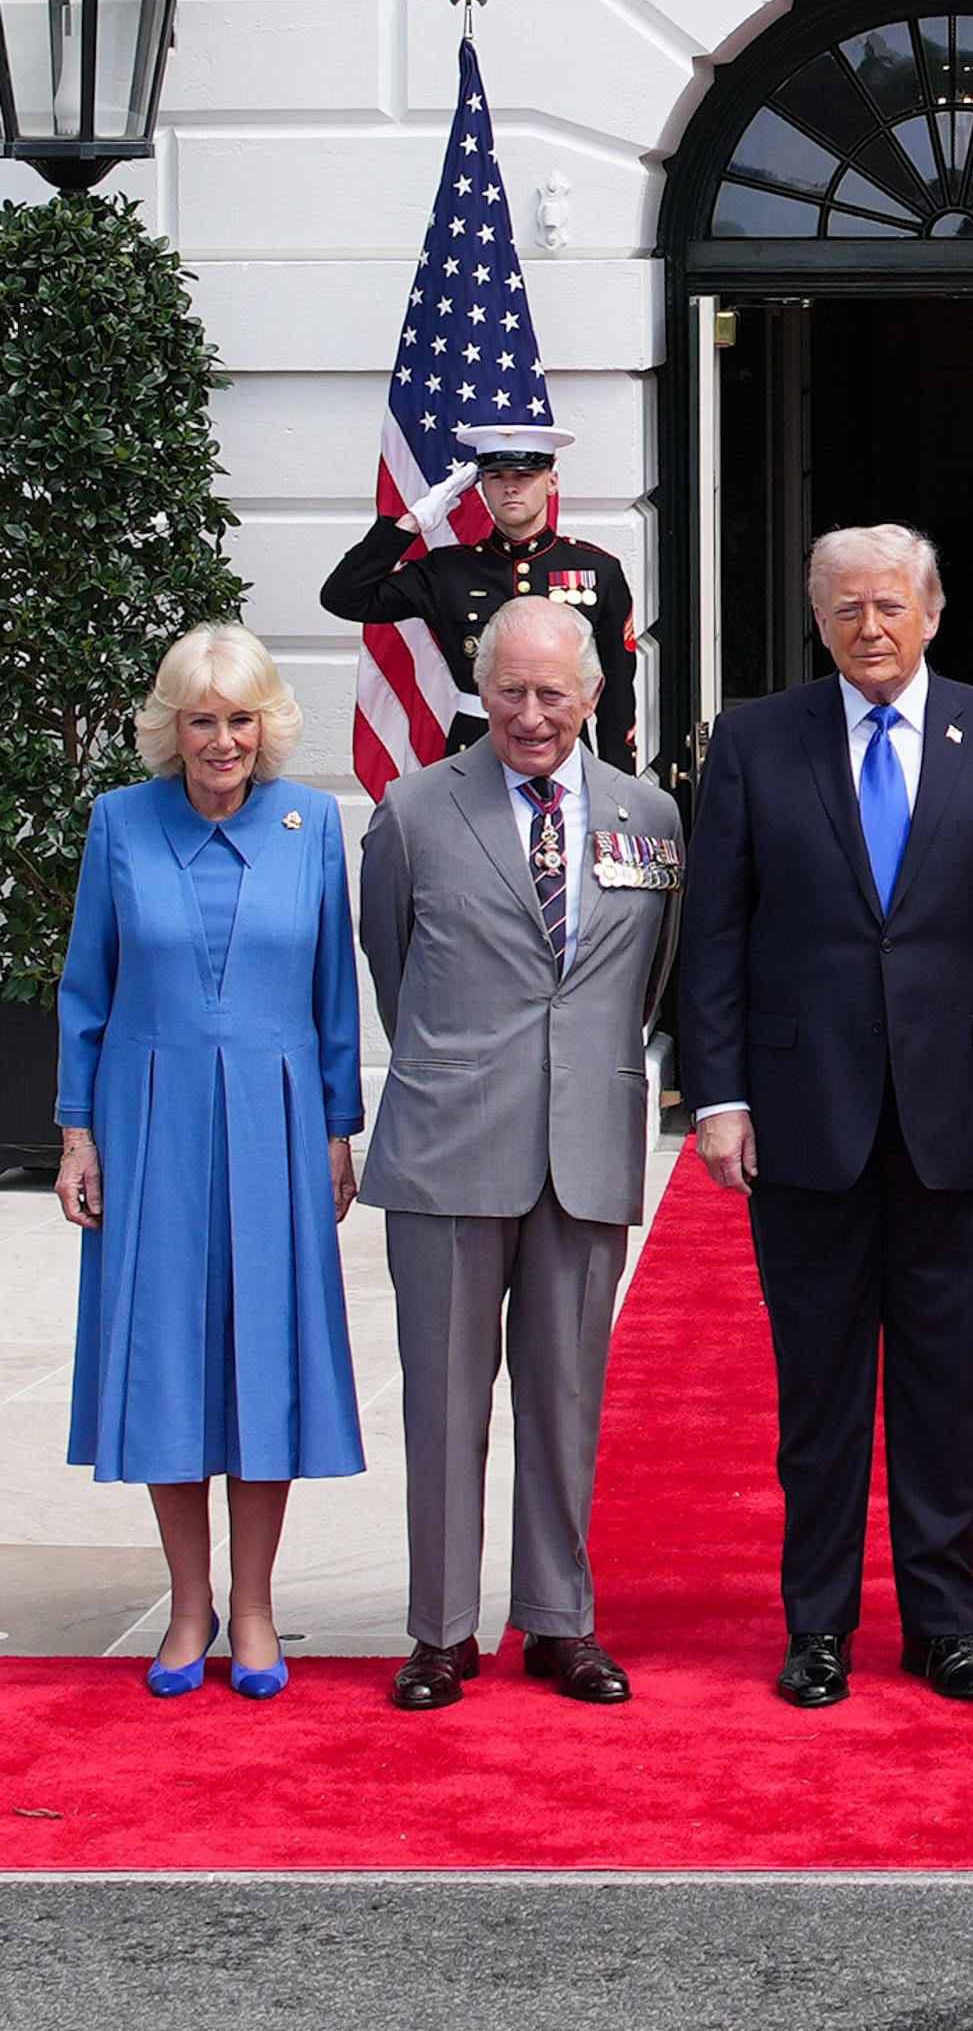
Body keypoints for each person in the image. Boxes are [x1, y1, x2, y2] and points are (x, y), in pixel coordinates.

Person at [680, 524, 973, 1710]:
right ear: (818, 617)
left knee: (950, 1389)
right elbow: (717, 933)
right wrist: (720, 1095)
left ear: (935, 611)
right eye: (847, 607)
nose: (871, 626)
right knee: (819, 1393)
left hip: (961, 1118)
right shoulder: (755, 741)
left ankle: (945, 1624)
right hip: (804, 1117)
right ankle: (819, 1630)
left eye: (892, 605)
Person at [358, 598, 681, 1713]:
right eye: (510, 691)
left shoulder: (652, 818)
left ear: (593, 696)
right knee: (444, 1400)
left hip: (585, 1140)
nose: (531, 714)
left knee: (564, 1397)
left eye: (553, 693)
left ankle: (558, 1621)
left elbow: (648, 984)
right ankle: (441, 1631)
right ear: (478, 690)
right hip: (452, 1142)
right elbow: (392, 968)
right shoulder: (410, 813)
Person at [54, 624, 364, 1702]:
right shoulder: (117, 825)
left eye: (240, 718)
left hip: (279, 1127)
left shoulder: (313, 822)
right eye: (202, 719)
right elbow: (85, 990)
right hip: (150, 1123)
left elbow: (336, 995)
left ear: (266, 723)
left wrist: (338, 1126)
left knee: (264, 1359)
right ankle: (189, 1609)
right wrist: (76, 1133)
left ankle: (258, 1609)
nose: (222, 740)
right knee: (172, 1358)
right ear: (172, 727)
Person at [320, 420, 637, 770]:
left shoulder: (596, 571)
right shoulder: (448, 570)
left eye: (524, 476)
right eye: (497, 477)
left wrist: (616, 785)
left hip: (563, 751)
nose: (511, 489)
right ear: (482, 485)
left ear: (552, 480)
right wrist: (411, 523)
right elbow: (343, 596)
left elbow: (617, 696)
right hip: (474, 752)